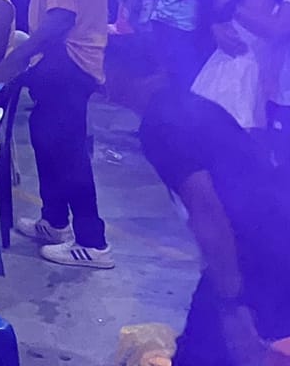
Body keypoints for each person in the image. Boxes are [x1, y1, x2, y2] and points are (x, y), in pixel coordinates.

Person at [102, 33, 290, 366]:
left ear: (124, 74)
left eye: (107, 69)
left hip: (260, 246)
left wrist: (232, 304)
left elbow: (207, 211)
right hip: (268, 232)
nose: (103, 79)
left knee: (217, 347)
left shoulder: (161, 123)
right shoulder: (180, 104)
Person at [0, 0, 113, 268]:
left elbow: (61, 16)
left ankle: (93, 242)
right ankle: (54, 220)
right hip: (73, 54)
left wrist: (16, 59)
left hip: (69, 57)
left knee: (67, 149)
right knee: (45, 137)